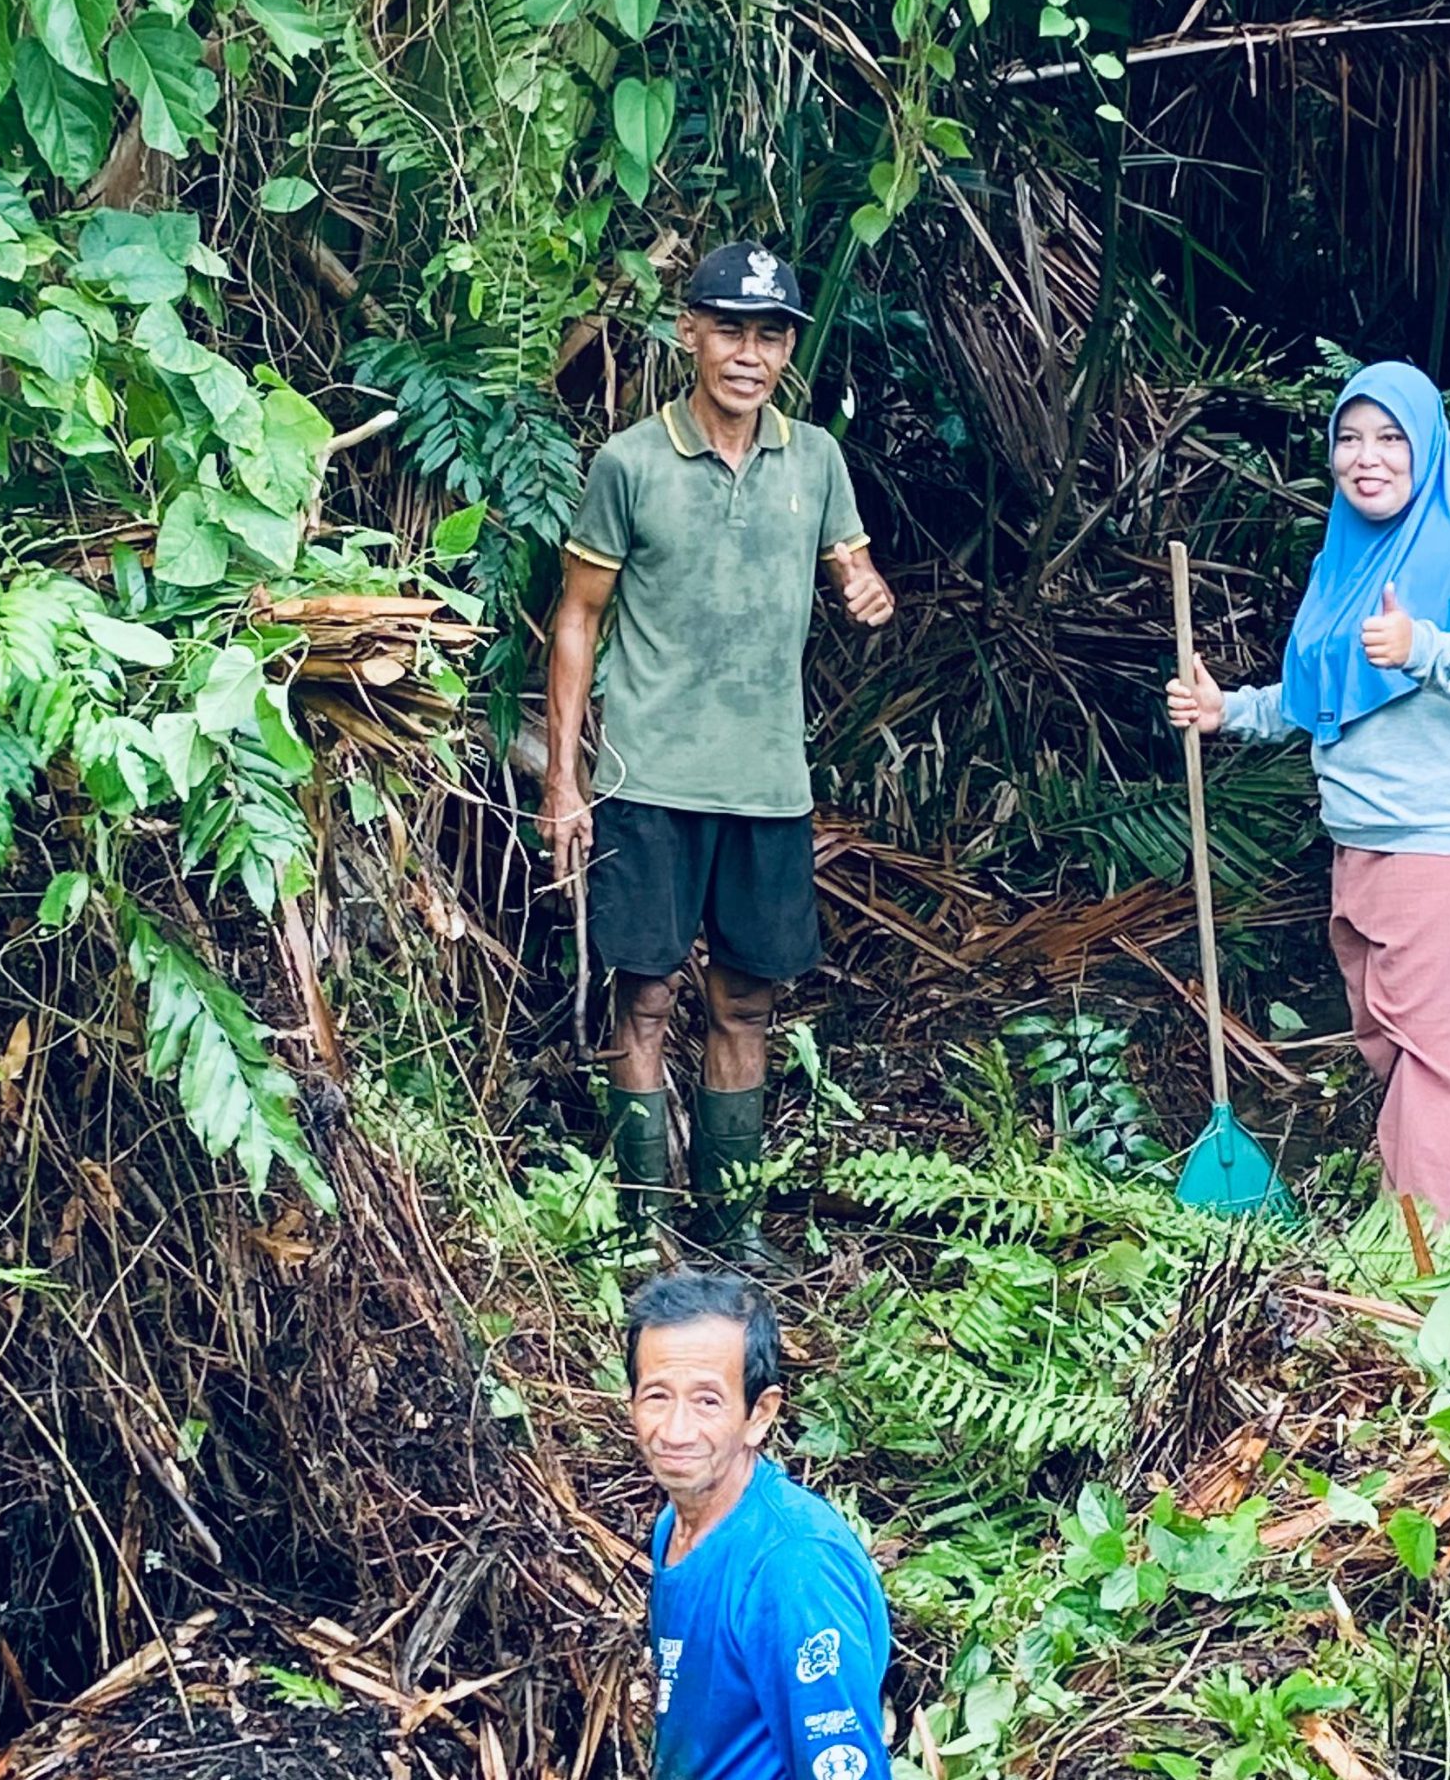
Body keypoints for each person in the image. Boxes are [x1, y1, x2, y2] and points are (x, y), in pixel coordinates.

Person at [540, 243, 895, 1270]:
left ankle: (730, 1229)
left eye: (770, 333)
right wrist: (565, 784)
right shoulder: (629, 464)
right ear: (687, 331)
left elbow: (851, 564)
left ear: (790, 346)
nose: (749, 352)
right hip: (648, 780)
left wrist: (866, 589)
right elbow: (576, 622)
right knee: (642, 994)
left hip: (766, 785)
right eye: (729, 328)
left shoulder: (815, 460)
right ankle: (637, 1225)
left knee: (747, 1001)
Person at [1166, 361, 1450, 1223]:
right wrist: (1224, 708)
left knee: (1430, 1054)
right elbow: (1316, 698)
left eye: (1390, 439)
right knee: (1386, 1038)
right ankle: (1444, 1179)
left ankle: (1417, 1258)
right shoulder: (1342, 561)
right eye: (1349, 438)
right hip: (1363, 836)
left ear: (1428, 449)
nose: (1366, 457)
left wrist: (1423, 645)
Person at [628, 1269, 892, 1780]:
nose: (676, 1431)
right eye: (657, 1396)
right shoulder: (674, 1527)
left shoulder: (792, 1568)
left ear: (759, 1414)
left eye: (707, 1400)